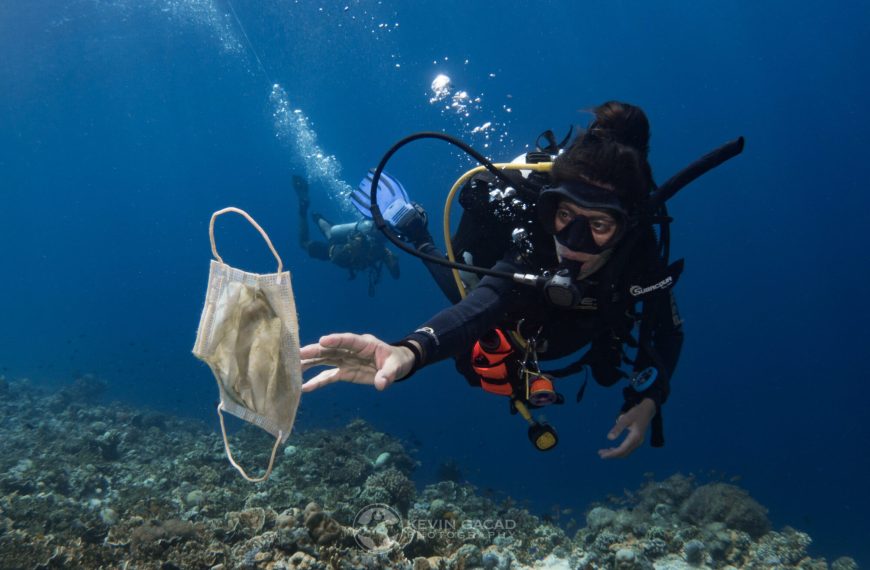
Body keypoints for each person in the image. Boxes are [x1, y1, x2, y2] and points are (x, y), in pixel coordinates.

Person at [300, 102, 686, 459]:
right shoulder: (533, 239)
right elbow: (480, 304)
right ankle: (417, 231)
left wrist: (649, 398)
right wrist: (409, 351)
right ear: (549, 208)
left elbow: (666, 330)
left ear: (625, 228)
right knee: (465, 291)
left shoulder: (639, 256)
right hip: (511, 309)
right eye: (565, 214)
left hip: (578, 331)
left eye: (600, 224)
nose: (574, 243)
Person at [293, 175, 399, 296]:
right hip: (336, 251)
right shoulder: (383, 252)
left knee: (329, 232)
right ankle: (309, 212)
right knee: (311, 241)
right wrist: (391, 258)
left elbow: (395, 273)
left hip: (342, 246)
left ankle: (312, 213)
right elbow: (396, 274)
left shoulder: (380, 249)